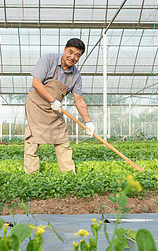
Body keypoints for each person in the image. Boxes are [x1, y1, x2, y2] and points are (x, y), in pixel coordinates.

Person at [24, 38, 95, 174]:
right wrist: (52, 101)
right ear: (64, 49)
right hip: (36, 106)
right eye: (70, 52)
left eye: (77, 55)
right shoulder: (48, 60)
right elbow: (36, 83)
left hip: (54, 109)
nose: (72, 57)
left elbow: (79, 100)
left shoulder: (76, 75)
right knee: (32, 141)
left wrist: (88, 122)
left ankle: (69, 174)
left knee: (63, 140)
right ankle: (32, 176)